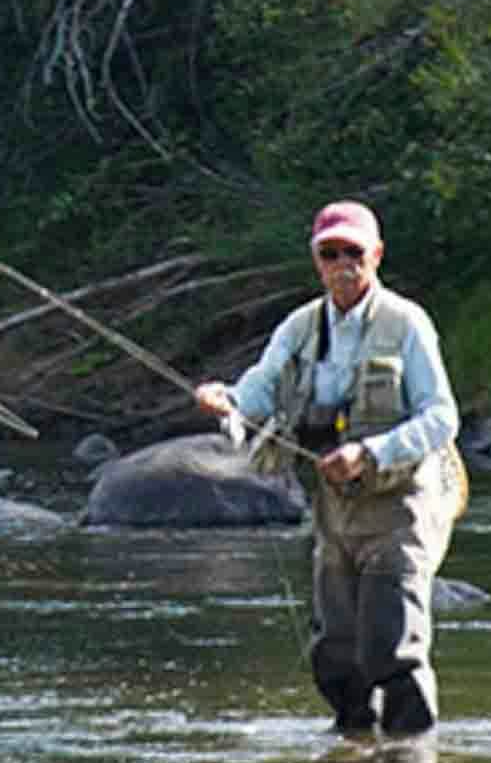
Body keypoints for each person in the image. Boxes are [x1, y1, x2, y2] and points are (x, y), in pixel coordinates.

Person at [193, 199, 466, 736]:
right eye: (330, 252)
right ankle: (356, 761)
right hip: (333, 511)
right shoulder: (299, 328)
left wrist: (369, 453)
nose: (343, 263)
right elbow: (256, 392)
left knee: (393, 646)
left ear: (377, 255)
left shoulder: (407, 323)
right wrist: (223, 399)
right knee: (336, 653)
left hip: (400, 505)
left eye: (354, 252)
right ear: (316, 260)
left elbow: (443, 418)